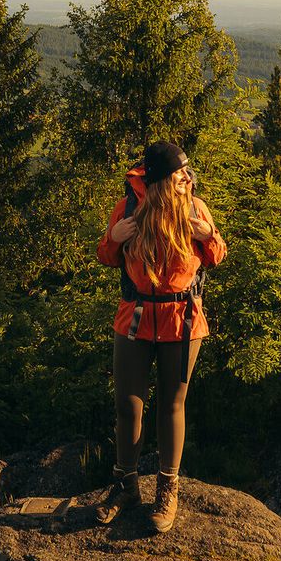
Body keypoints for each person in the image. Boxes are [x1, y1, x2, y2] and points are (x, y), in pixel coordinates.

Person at [94, 141, 227, 533]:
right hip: (135, 317)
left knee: (172, 405)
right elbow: (106, 256)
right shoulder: (129, 211)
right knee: (128, 405)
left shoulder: (195, 210)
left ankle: (167, 492)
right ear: (158, 180)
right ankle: (126, 486)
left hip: (182, 319)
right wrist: (116, 237)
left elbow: (218, 256)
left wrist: (207, 235)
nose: (188, 176)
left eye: (187, 169)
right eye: (179, 172)